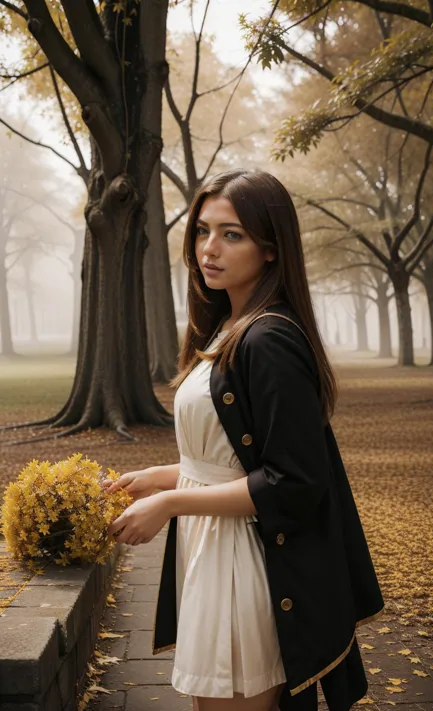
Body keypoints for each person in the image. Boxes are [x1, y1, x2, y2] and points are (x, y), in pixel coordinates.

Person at [103, 170, 385, 711]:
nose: (209, 249)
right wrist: (159, 479)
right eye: (203, 231)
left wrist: (171, 502)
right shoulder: (228, 328)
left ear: (271, 249)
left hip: (249, 566)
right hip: (215, 551)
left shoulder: (269, 339)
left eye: (232, 234)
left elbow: (296, 481)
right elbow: (234, 458)